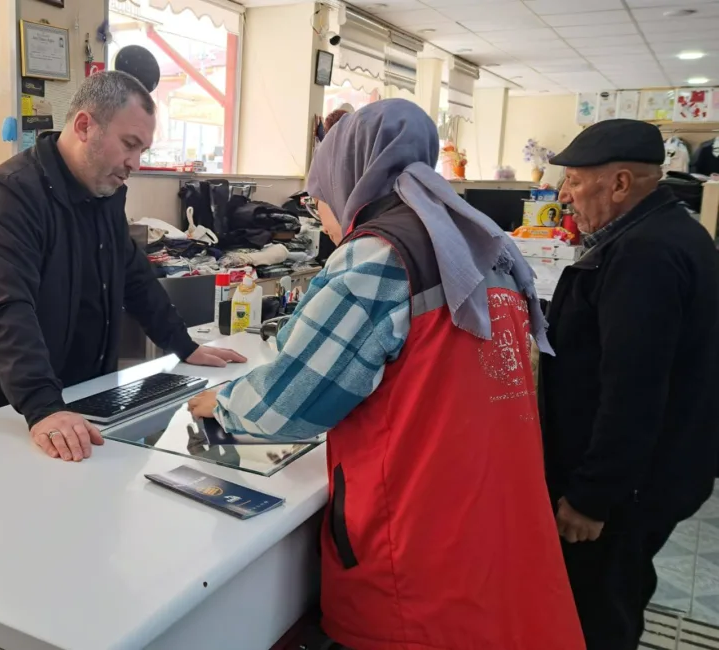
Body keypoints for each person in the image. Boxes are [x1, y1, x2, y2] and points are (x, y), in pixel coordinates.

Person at [189, 100, 584, 649]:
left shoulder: (377, 254)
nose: (321, 216)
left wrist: (221, 404)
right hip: (498, 527)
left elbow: (288, 403)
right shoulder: (478, 242)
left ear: (347, 181)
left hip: (419, 553)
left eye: (317, 198)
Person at [0, 71, 244, 462]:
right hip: (7, 402)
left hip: (80, 395)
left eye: (142, 150)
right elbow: (6, 306)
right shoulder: (12, 194)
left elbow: (133, 275)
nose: (134, 163)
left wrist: (182, 344)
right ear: (85, 126)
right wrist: (43, 405)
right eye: (129, 144)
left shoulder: (107, 190)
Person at [541, 119, 719, 650]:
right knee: (619, 591)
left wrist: (593, 496)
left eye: (574, 180)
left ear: (620, 184)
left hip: (628, 490)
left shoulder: (645, 255)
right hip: (657, 475)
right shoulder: (672, 232)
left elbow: (633, 391)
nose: (565, 195)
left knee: (597, 612)